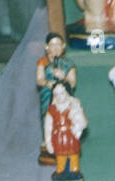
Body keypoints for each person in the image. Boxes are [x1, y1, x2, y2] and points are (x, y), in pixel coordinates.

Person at [36, 32, 77, 163]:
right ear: (46, 47)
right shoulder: (42, 62)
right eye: (52, 45)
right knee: (48, 115)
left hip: (63, 95)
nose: (55, 48)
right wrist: (48, 83)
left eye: (58, 45)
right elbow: (39, 79)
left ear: (63, 46)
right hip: (48, 94)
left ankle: (67, 139)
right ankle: (48, 142)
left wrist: (63, 78)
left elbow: (72, 82)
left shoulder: (68, 63)